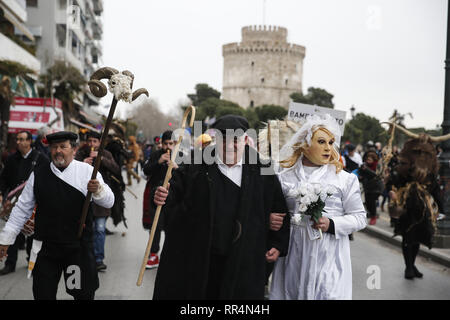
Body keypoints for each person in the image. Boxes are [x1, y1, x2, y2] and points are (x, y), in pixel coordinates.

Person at [152, 115, 290, 299]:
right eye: (224, 140)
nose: (230, 146)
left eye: (236, 140)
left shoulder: (262, 169)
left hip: (244, 259)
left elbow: (278, 208)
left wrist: (276, 243)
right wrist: (163, 195)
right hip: (204, 258)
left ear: (245, 140)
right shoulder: (196, 165)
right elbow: (173, 193)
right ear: (216, 139)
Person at [0, 131, 114, 300]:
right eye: (54, 147)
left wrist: (98, 190)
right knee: (43, 294)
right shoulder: (38, 174)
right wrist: (6, 240)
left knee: (81, 293)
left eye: (63, 146)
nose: (58, 151)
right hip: (46, 249)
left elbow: (109, 201)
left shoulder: (87, 172)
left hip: (76, 249)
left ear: (73, 150)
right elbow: (22, 209)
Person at [269, 114, 367, 300]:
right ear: (305, 144)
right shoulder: (283, 176)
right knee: (290, 292)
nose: (328, 148)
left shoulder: (344, 179)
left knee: (326, 292)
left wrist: (331, 223)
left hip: (328, 252)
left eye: (331, 142)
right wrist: (271, 218)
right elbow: (273, 208)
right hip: (293, 251)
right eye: (321, 141)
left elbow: (360, 217)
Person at [0, 131, 47, 275]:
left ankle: (31, 262)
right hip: (14, 203)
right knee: (13, 232)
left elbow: (47, 178)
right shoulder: (11, 159)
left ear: (29, 142)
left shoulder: (41, 158)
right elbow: (3, 179)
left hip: (34, 204)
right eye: (17, 139)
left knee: (32, 234)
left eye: (22, 139)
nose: (18, 142)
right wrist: (2, 194)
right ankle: (10, 264)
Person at [75, 131, 120, 271]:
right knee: (86, 230)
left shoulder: (106, 154)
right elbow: (72, 170)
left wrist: (101, 160)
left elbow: (116, 169)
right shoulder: (81, 154)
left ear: (100, 143)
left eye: (95, 141)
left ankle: (99, 259)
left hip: (101, 200)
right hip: (83, 200)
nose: (92, 144)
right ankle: (85, 258)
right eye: (90, 141)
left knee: (100, 229)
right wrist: (82, 163)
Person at [142, 130, 178, 269]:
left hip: (173, 196)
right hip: (155, 195)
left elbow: (187, 175)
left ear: (175, 144)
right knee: (155, 226)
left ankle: (170, 254)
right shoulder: (156, 154)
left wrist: (176, 167)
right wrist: (159, 162)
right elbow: (146, 170)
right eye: (165, 144)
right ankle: (154, 254)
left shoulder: (180, 156)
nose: (168, 146)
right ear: (161, 144)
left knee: (172, 226)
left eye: (171, 143)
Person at [359, 150, 384, 225]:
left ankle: (374, 217)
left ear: (373, 160)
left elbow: (376, 175)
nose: (367, 161)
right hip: (368, 187)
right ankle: (372, 214)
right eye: (367, 159)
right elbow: (362, 176)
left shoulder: (377, 165)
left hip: (376, 188)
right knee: (367, 202)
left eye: (369, 160)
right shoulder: (364, 165)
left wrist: (366, 169)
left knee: (372, 202)